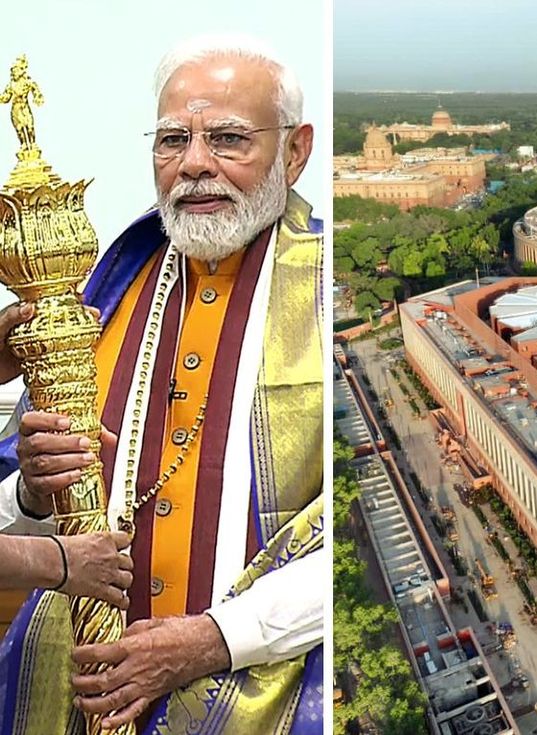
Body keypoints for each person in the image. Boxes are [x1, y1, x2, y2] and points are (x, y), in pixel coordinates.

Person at [0, 35, 323, 735]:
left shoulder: (332, 294)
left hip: (260, 690)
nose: (195, 163)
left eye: (228, 139)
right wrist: (33, 491)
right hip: (77, 684)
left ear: (295, 151)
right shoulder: (106, 291)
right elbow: (18, 511)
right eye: (174, 139)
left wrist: (214, 638)